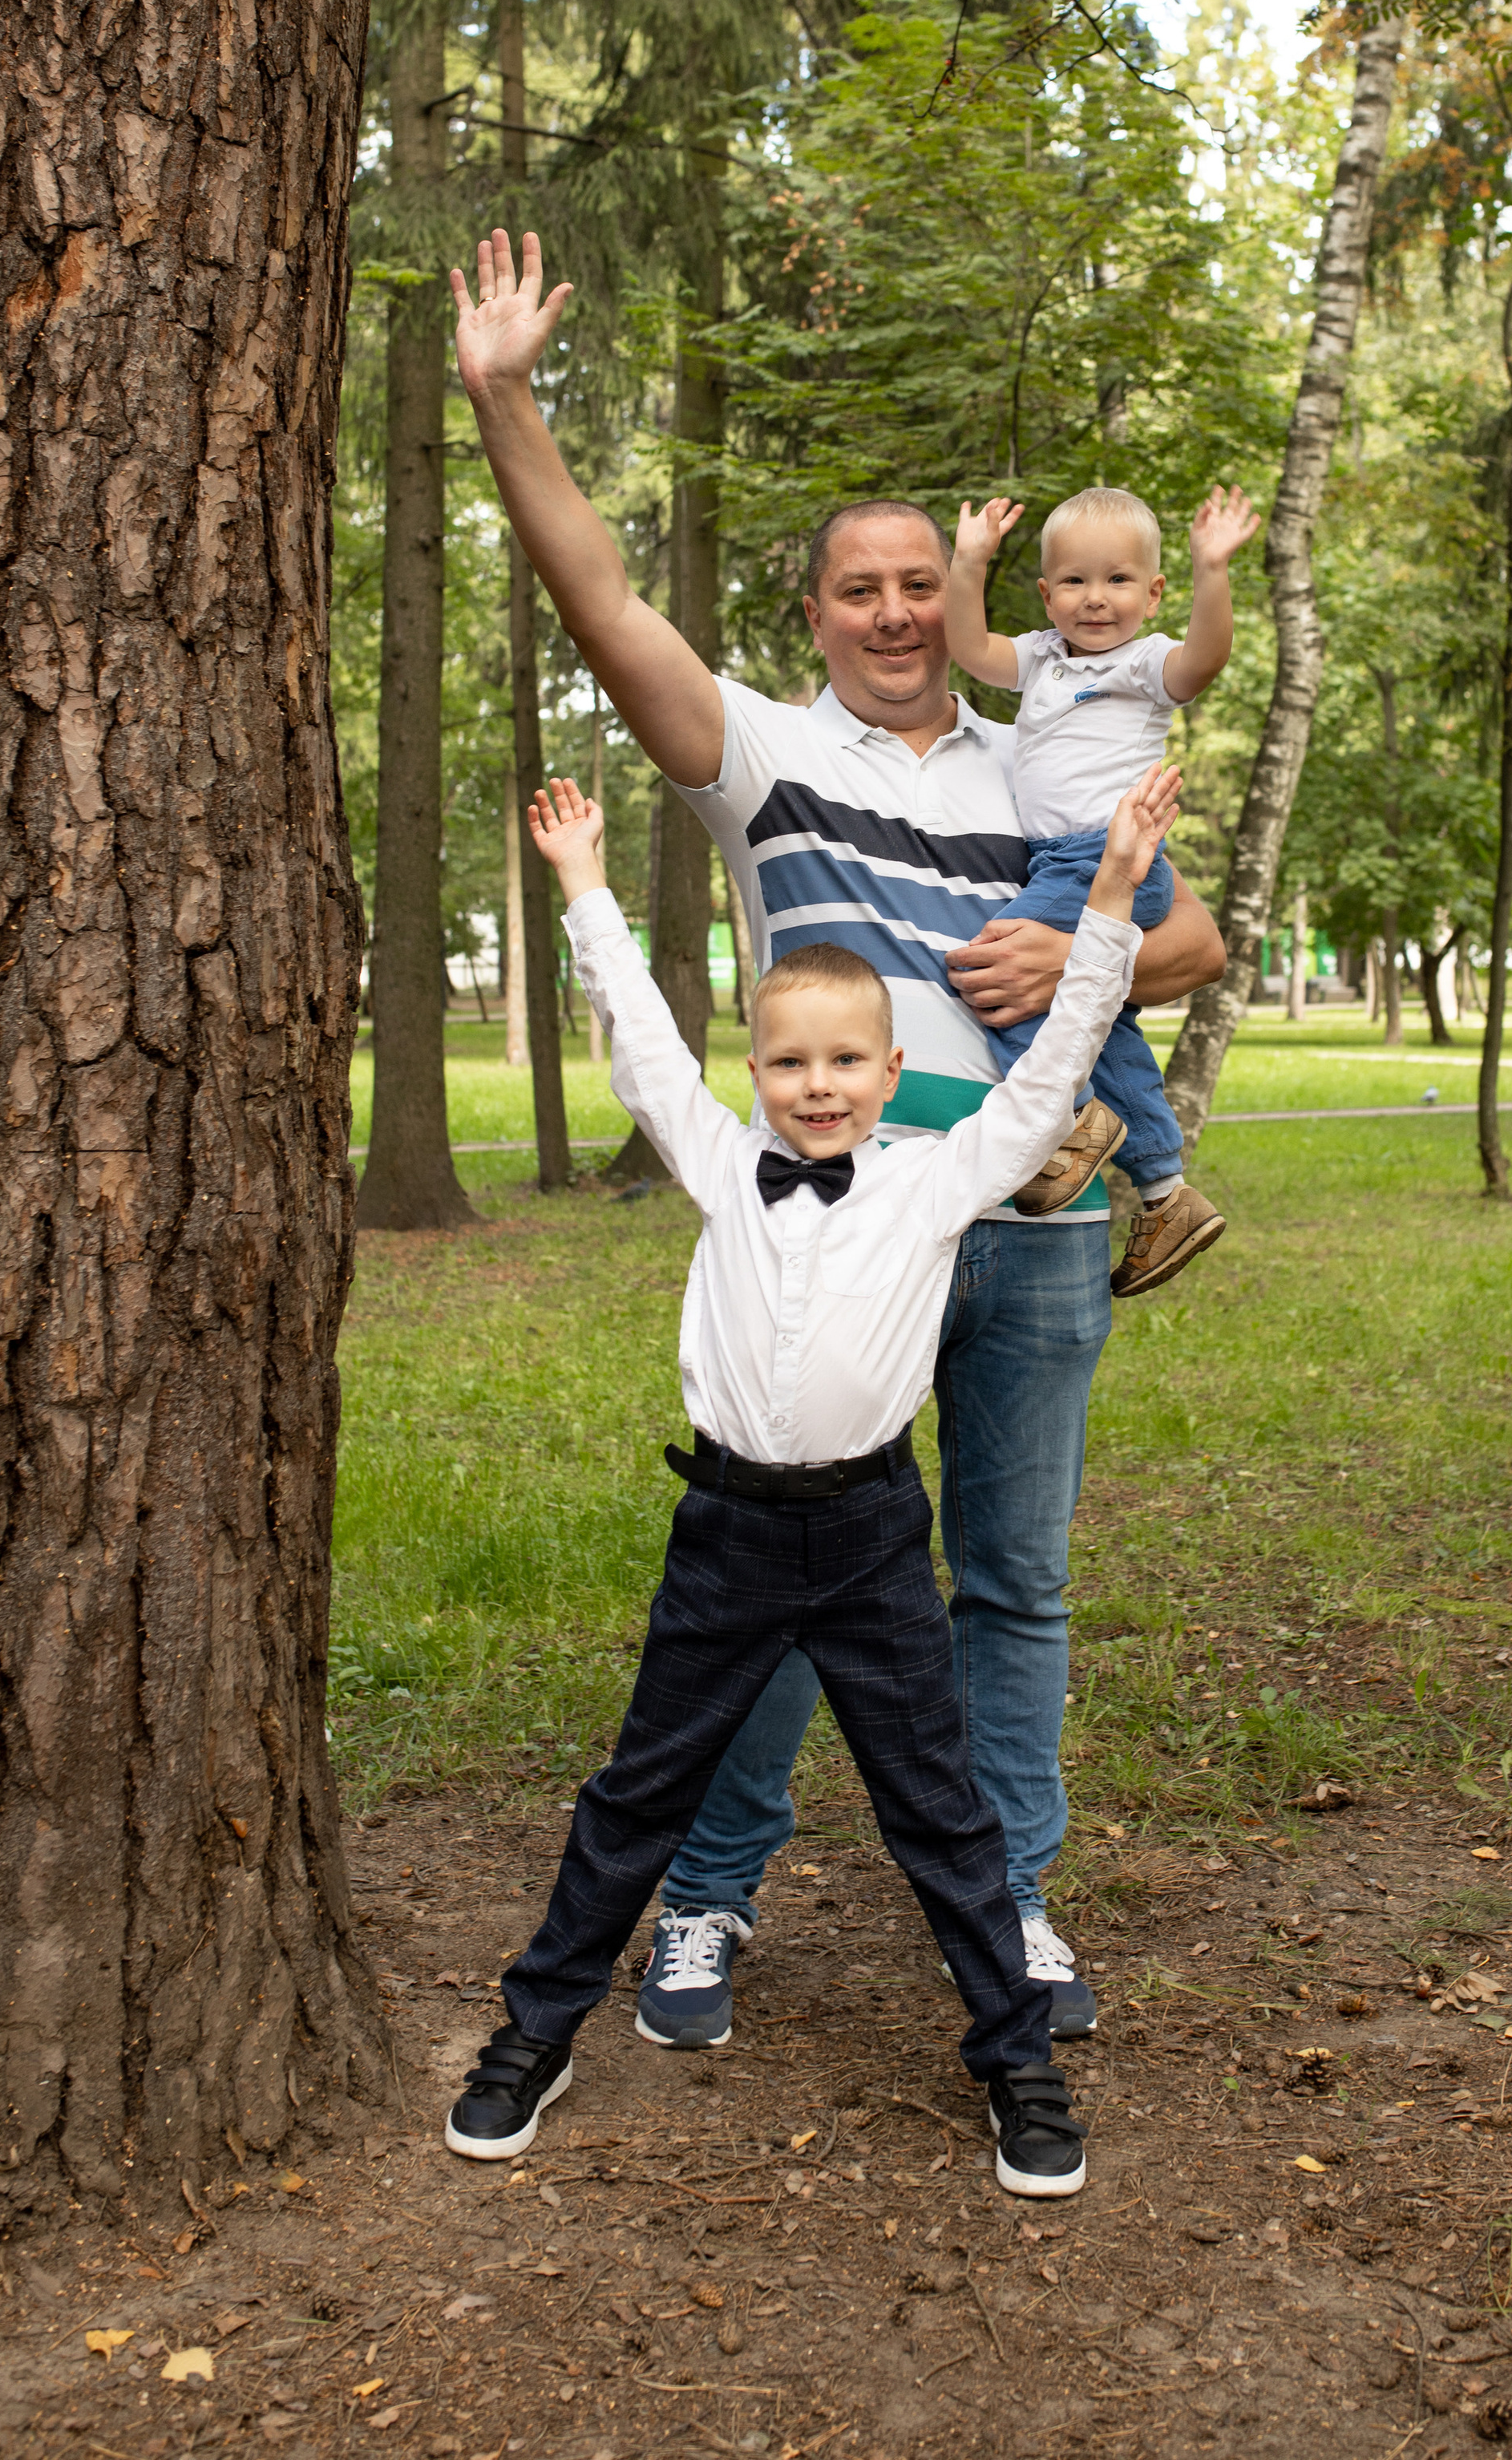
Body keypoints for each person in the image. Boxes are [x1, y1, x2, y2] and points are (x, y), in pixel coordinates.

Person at [450, 230, 1226, 2055]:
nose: (892, 609)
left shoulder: (1043, 753)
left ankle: (1012, 1899)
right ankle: (708, 1898)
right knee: (787, 1589)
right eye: (858, 588)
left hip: (1026, 1229)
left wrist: (1067, 950)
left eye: (911, 583)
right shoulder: (760, 760)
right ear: (814, 615)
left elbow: (1185, 938)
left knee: (1010, 1582)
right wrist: (502, 398)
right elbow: (603, 602)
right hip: (822, 1240)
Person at [443, 760, 1181, 2194]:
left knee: (940, 1810)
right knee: (636, 1798)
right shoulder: (725, 1167)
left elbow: (1053, 1060)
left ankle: (1017, 2064)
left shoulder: (938, 1179)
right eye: (790, 1064)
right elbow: (647, 1050)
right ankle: (535, 2033)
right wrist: (588, 885)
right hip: (724, 1530)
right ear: (761, 1076)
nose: (819, 1086)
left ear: (889, 1076)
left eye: (847, 1063)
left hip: (867, 1538)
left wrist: (1104, 897)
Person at [944, 481, 1259, 1295]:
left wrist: (1211, 570)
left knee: (999, 971)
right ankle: (1164, 1191)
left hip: (1109, 861)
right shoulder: (1041, 658)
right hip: (1059, 865)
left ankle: (1065, 1123)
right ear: (1047, 595)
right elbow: (969, 648)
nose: (1095, 599)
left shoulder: (1147, 661)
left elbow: (1205, 659)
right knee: (1101, 1018)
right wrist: (968, 561)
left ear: (1152, 592)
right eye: (1075, 582)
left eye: (1118, 580)